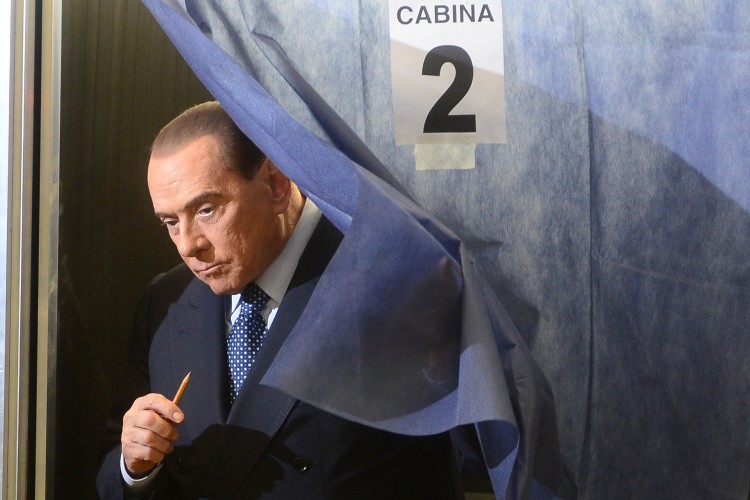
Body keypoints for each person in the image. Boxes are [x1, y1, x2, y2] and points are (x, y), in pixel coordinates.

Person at [96, 101, 466, 499]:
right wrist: (136, 466)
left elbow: (470, 448)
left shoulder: (391, 279)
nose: (189, 245)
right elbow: (112, 476)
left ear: (275, 184)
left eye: (205, 210)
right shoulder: (165, 302)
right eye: (170, 222)